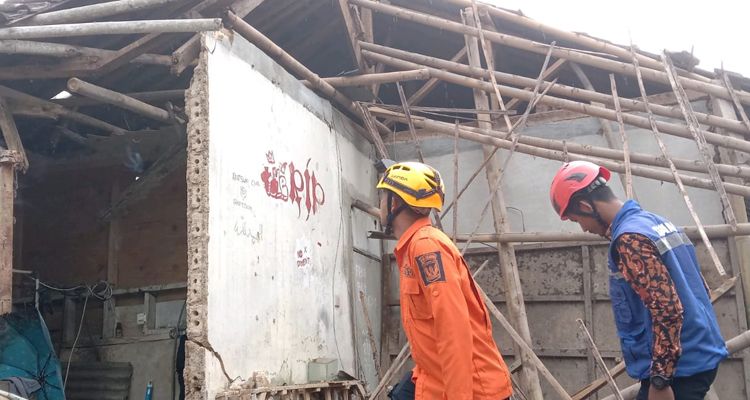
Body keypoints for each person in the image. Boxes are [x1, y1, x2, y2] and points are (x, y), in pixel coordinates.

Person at [549, 160, 728, 400]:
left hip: (679, 371)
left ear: (585, 205)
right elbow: (700, 289)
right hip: (699, 354)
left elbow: (668, 310)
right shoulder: (656, 223)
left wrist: (661, 380)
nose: (583, 228)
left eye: (576, 219)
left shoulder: (630, 239)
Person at [377, 160, 513, 400]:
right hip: (434, 379)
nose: (379, 206)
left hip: (473, 390)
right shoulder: (414, 247)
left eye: (382, 198)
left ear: (394, 203)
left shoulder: (426, 247)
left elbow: (454, 329)